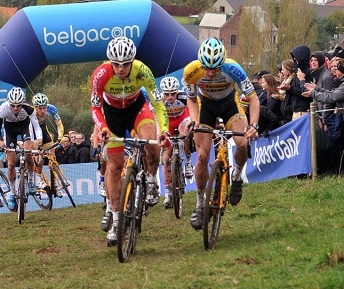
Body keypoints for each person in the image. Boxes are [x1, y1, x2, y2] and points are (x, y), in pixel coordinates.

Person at [90, 36, 168, 245]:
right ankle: (116, 220)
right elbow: (95, 108)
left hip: (137, 109)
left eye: (126, 64)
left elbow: (159, 104)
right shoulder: (100, 74)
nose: (121, 68)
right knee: (114, 168)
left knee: (150, 139)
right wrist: (103, 128)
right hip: (112, 114)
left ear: (132, 61)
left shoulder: (142, 71)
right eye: (116, 64)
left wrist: (165, 131)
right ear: (110, 62)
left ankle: (151, 181)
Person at [182, 37, 259, 230]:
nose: (210, 73)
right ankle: (200, 204)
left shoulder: (233, 69)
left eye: (215, 68)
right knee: (202, 155)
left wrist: (254, 125)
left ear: (222, 62)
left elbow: (254, 98)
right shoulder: (191, 71)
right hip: (205, 105)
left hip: (230, 105)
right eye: (206, 68)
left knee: (242, 143)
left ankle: (237, 176)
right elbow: (191, 100)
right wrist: (194, 120)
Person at [0, 87, 43, 211]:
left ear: (22, 103)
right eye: (13, 105)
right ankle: (12, 194)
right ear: (9, 103)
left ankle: (31, 181)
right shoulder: (3, 109)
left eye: (18, 105)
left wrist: (39, 139)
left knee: (28, 153)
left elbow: (36, 126)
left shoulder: (28, 108)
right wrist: (0, 142)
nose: (15, 108)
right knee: (10, 164)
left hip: (24, 128)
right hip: (10, 132)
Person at [158, 76, 194, 209]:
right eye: (166, 94)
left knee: (185, 134)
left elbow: (192, 110)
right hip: (167, 123)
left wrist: (189, 125)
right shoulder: (159, 100)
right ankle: (168, 193)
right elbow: (154, 117)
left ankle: (189, 163)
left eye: (173, 93)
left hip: (182, 120)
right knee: (166, 160)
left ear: (177, 91)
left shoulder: (184, 96)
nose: (170, 97)